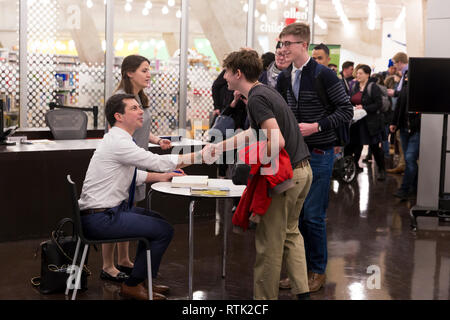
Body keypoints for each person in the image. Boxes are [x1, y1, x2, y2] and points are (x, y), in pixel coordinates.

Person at [78, 93, 209, 300]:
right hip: (101, 219)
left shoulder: (116, 139)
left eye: (140, 107)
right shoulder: (119, 142)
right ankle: (133, 284)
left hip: (100, 214)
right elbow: (155, 161)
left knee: (157, 220)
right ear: (118, 116)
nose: (141, 112)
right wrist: (201, 155)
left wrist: (163, 176)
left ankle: (141, 280)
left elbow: (134, 174)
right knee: (163, 230)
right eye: (134, 108)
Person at [209, 49, 313, 300]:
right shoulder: (264, 93)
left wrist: (252, 163)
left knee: (269, 245)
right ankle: (303, 293)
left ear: (238, 73)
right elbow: (253, 133)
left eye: (226, 72)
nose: (224, 78)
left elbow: (275, 142)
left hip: (284, 178)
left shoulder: (256, 99)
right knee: (291, 234)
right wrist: (218, 146)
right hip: (303, 172)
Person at [275, 22, 353, 293]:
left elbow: (346, 111)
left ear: (303, 45)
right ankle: (299, 271)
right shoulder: (284, 77)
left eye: (289, 44)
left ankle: (317, 271)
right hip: (293, 156)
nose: (284, 49)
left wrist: (316, 126)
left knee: (312, 216)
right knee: (293, 217)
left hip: (320, 154)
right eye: (281, 43)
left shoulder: (324, 76)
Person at [100, 55, 173, 284]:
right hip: (124, 164)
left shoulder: (138, 98)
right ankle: (107, 266)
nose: (148, 74)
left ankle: (124, 258)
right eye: (144, 70)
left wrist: (155, 139)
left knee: (129, 210)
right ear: (129, 72)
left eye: (149, 69)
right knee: (116, 212)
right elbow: (117, 133)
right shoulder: (119, 100)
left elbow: (138, 128)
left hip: (138, 163)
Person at [388, 52, 420, 200]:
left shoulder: (422, 90)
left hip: (416, 130)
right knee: (409, 160)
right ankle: (415, 186)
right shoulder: (405, 87)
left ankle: (405, 189)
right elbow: (399, 106)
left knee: (409, 158)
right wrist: (394, 123)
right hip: (404, 129)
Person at [345, 64, 386, 180]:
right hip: (356, 121)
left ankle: (382, 170)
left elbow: (378, 104)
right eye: (357, 73)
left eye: (360, 73)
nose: (357, 75)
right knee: (354, 145)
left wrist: (364, 107)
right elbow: (351, 100)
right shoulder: (354, 86)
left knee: (374, 147)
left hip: (370, 123)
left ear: (367, 74)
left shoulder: (373, 87)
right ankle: (353, 167)